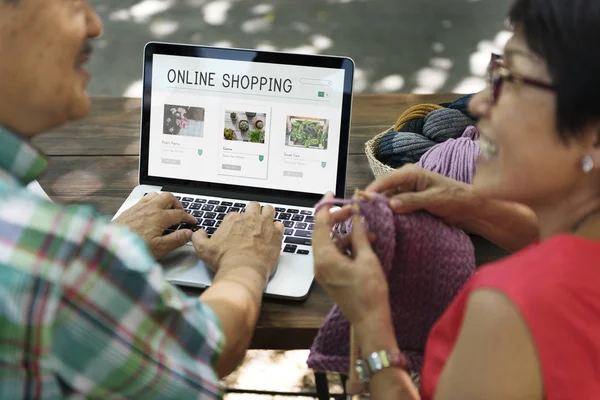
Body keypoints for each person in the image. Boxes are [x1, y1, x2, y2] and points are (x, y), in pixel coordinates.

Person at [313, 0, 600, 398]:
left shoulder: (508, 311)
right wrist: (474, 206)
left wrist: (371, 325)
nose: (481, 103)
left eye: (512, 79)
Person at [0, 0, 283, 398]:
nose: (95, 26)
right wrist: (246, 263)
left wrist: (106, 256)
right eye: (73, 5)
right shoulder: (56, 259)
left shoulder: (56, 255)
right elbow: (200, 352)